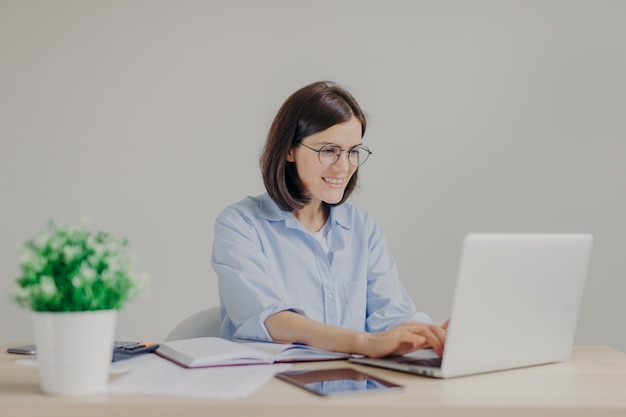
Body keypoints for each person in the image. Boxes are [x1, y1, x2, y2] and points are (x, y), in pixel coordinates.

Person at [211, 81, 447, 358]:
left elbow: (392, 315)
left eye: (352, 152)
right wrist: (364, 342)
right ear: (289, 150)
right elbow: (269, 319)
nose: (344, 166)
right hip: (272, 390)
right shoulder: (240, 224)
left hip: (352, 390)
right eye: (329, 150)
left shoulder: (363, 228)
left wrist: (432, 334)